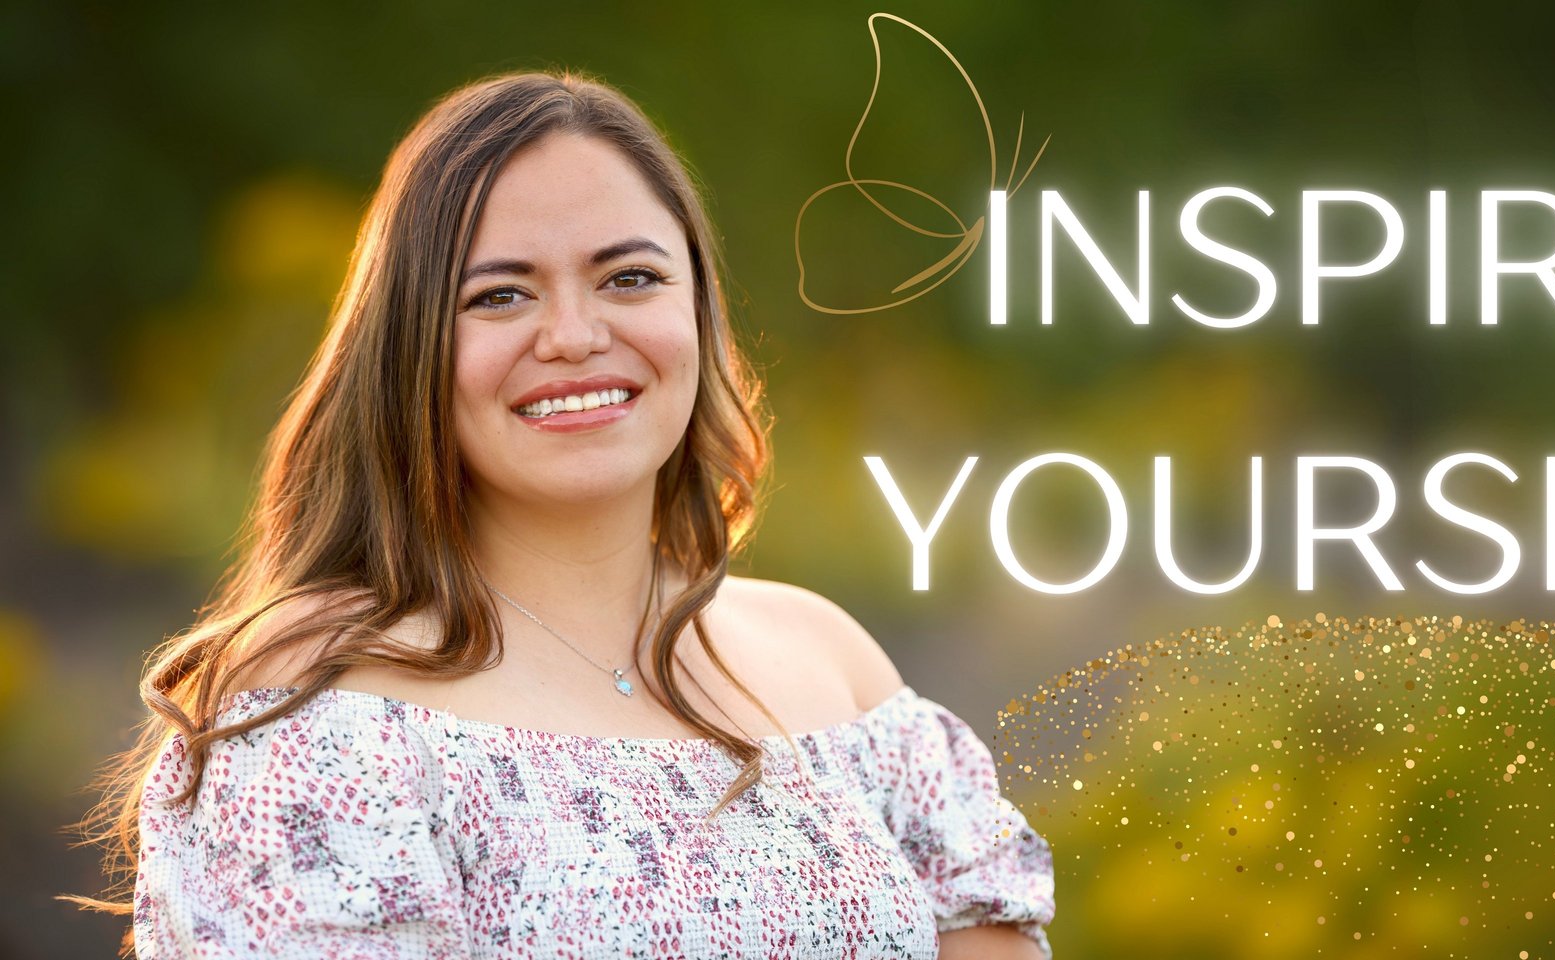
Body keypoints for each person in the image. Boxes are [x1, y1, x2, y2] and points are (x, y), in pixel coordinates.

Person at [70, 71, 1054, 958]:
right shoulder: (318, 700)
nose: (576, 337)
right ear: (408, 347)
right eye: (499, 296)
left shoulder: (830, 663)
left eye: (630, 278)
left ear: (701, 315)